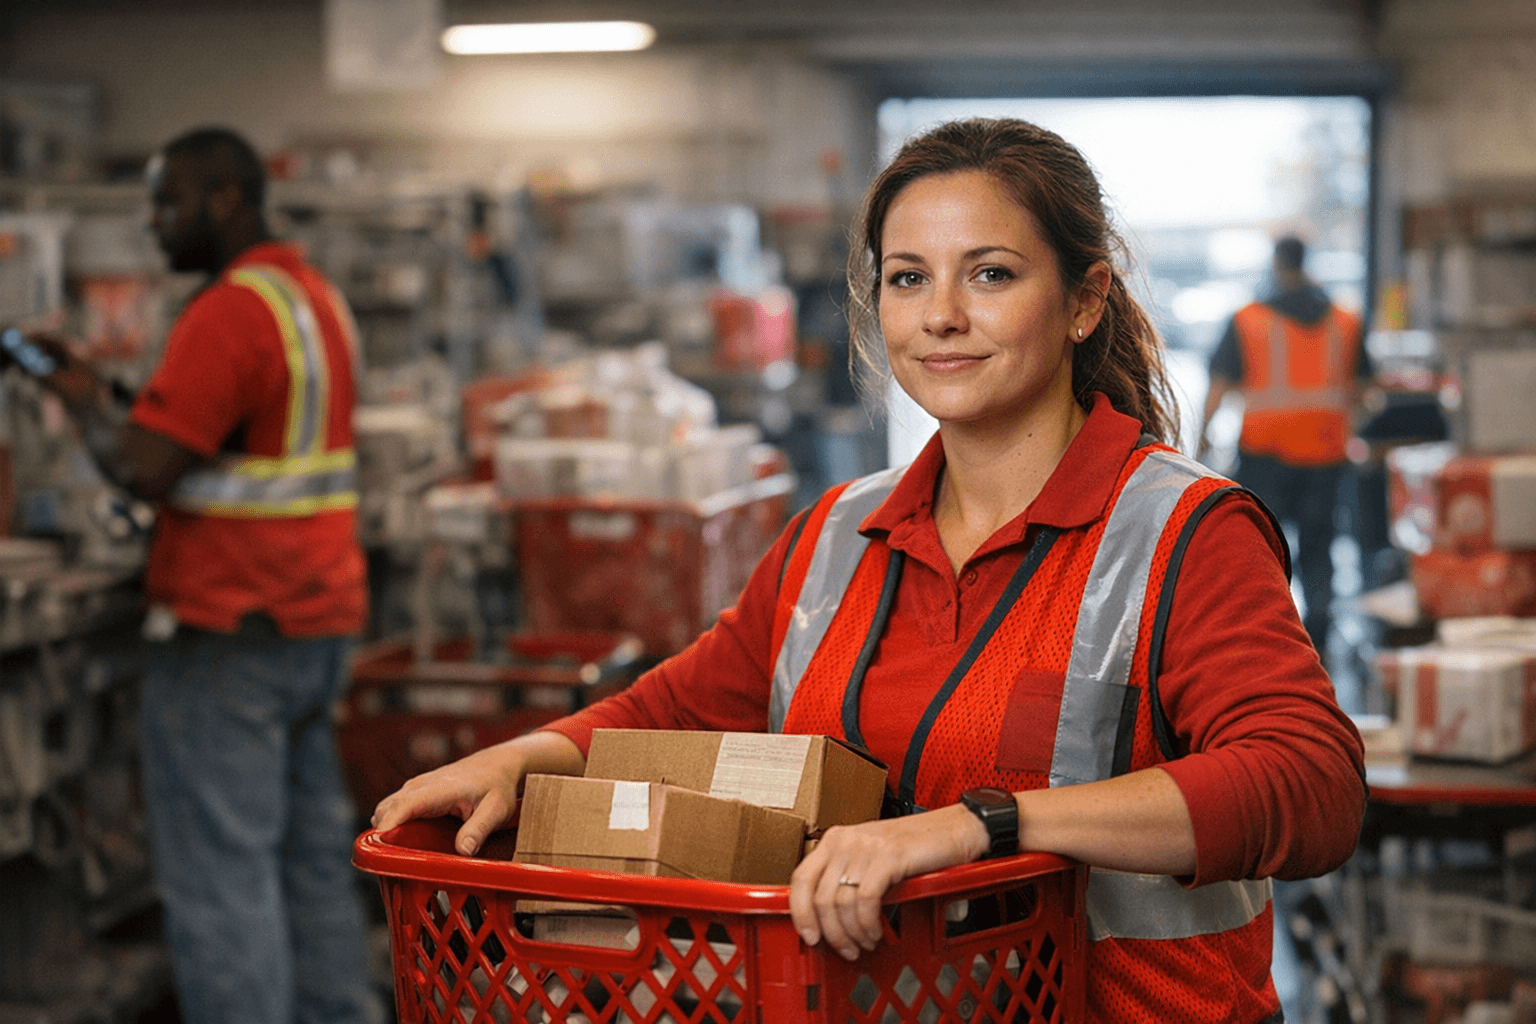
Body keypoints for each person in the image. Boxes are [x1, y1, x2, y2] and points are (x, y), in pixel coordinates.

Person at [374, 118, 1366, 1024]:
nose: (940, 315)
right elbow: (675, 710)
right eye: (906, 278)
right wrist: (521, 757)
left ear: (1083, 301)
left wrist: (985, 825)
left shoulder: (1183, 531)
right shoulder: (837, 535)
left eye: (988, 275)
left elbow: (1312, 786)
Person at [30, 128, 382, 1024]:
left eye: (167, 202)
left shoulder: (228, 311)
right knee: (307, 866)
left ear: (225, 197)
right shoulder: (310, 296)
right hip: (312, 623)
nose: (154, 224)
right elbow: (215, 439)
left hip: (229, 634)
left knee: (220, 880)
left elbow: (148, 470)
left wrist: (77, 406)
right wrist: (111, 398)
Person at [1197, 235, 1371, 657]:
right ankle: (1321, 651)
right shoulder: (1344, 321)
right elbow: (1366, 390)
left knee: (1263, 555)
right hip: (1325, 457)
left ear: (1277, 264)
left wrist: (1201, 437)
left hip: (1265, 456)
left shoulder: (1249, 320)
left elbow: (1219, 384)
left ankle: (1269, 649)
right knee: (1319, 552)